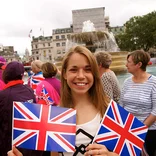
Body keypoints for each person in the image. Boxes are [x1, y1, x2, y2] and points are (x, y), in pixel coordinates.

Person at [0, 61, 49, 156]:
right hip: (29, 143)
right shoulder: (29, 90)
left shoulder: (3, 96)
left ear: (6, 74)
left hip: (10, 147)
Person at [119, 50, 156, 156]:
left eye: (129, 62)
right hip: (127, 130)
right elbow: (122, 104)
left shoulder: (153, 82)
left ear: (139, 64)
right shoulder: (127, 82)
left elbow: (155, 110)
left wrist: (141, 129)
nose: (126, 65)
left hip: (148, 131)